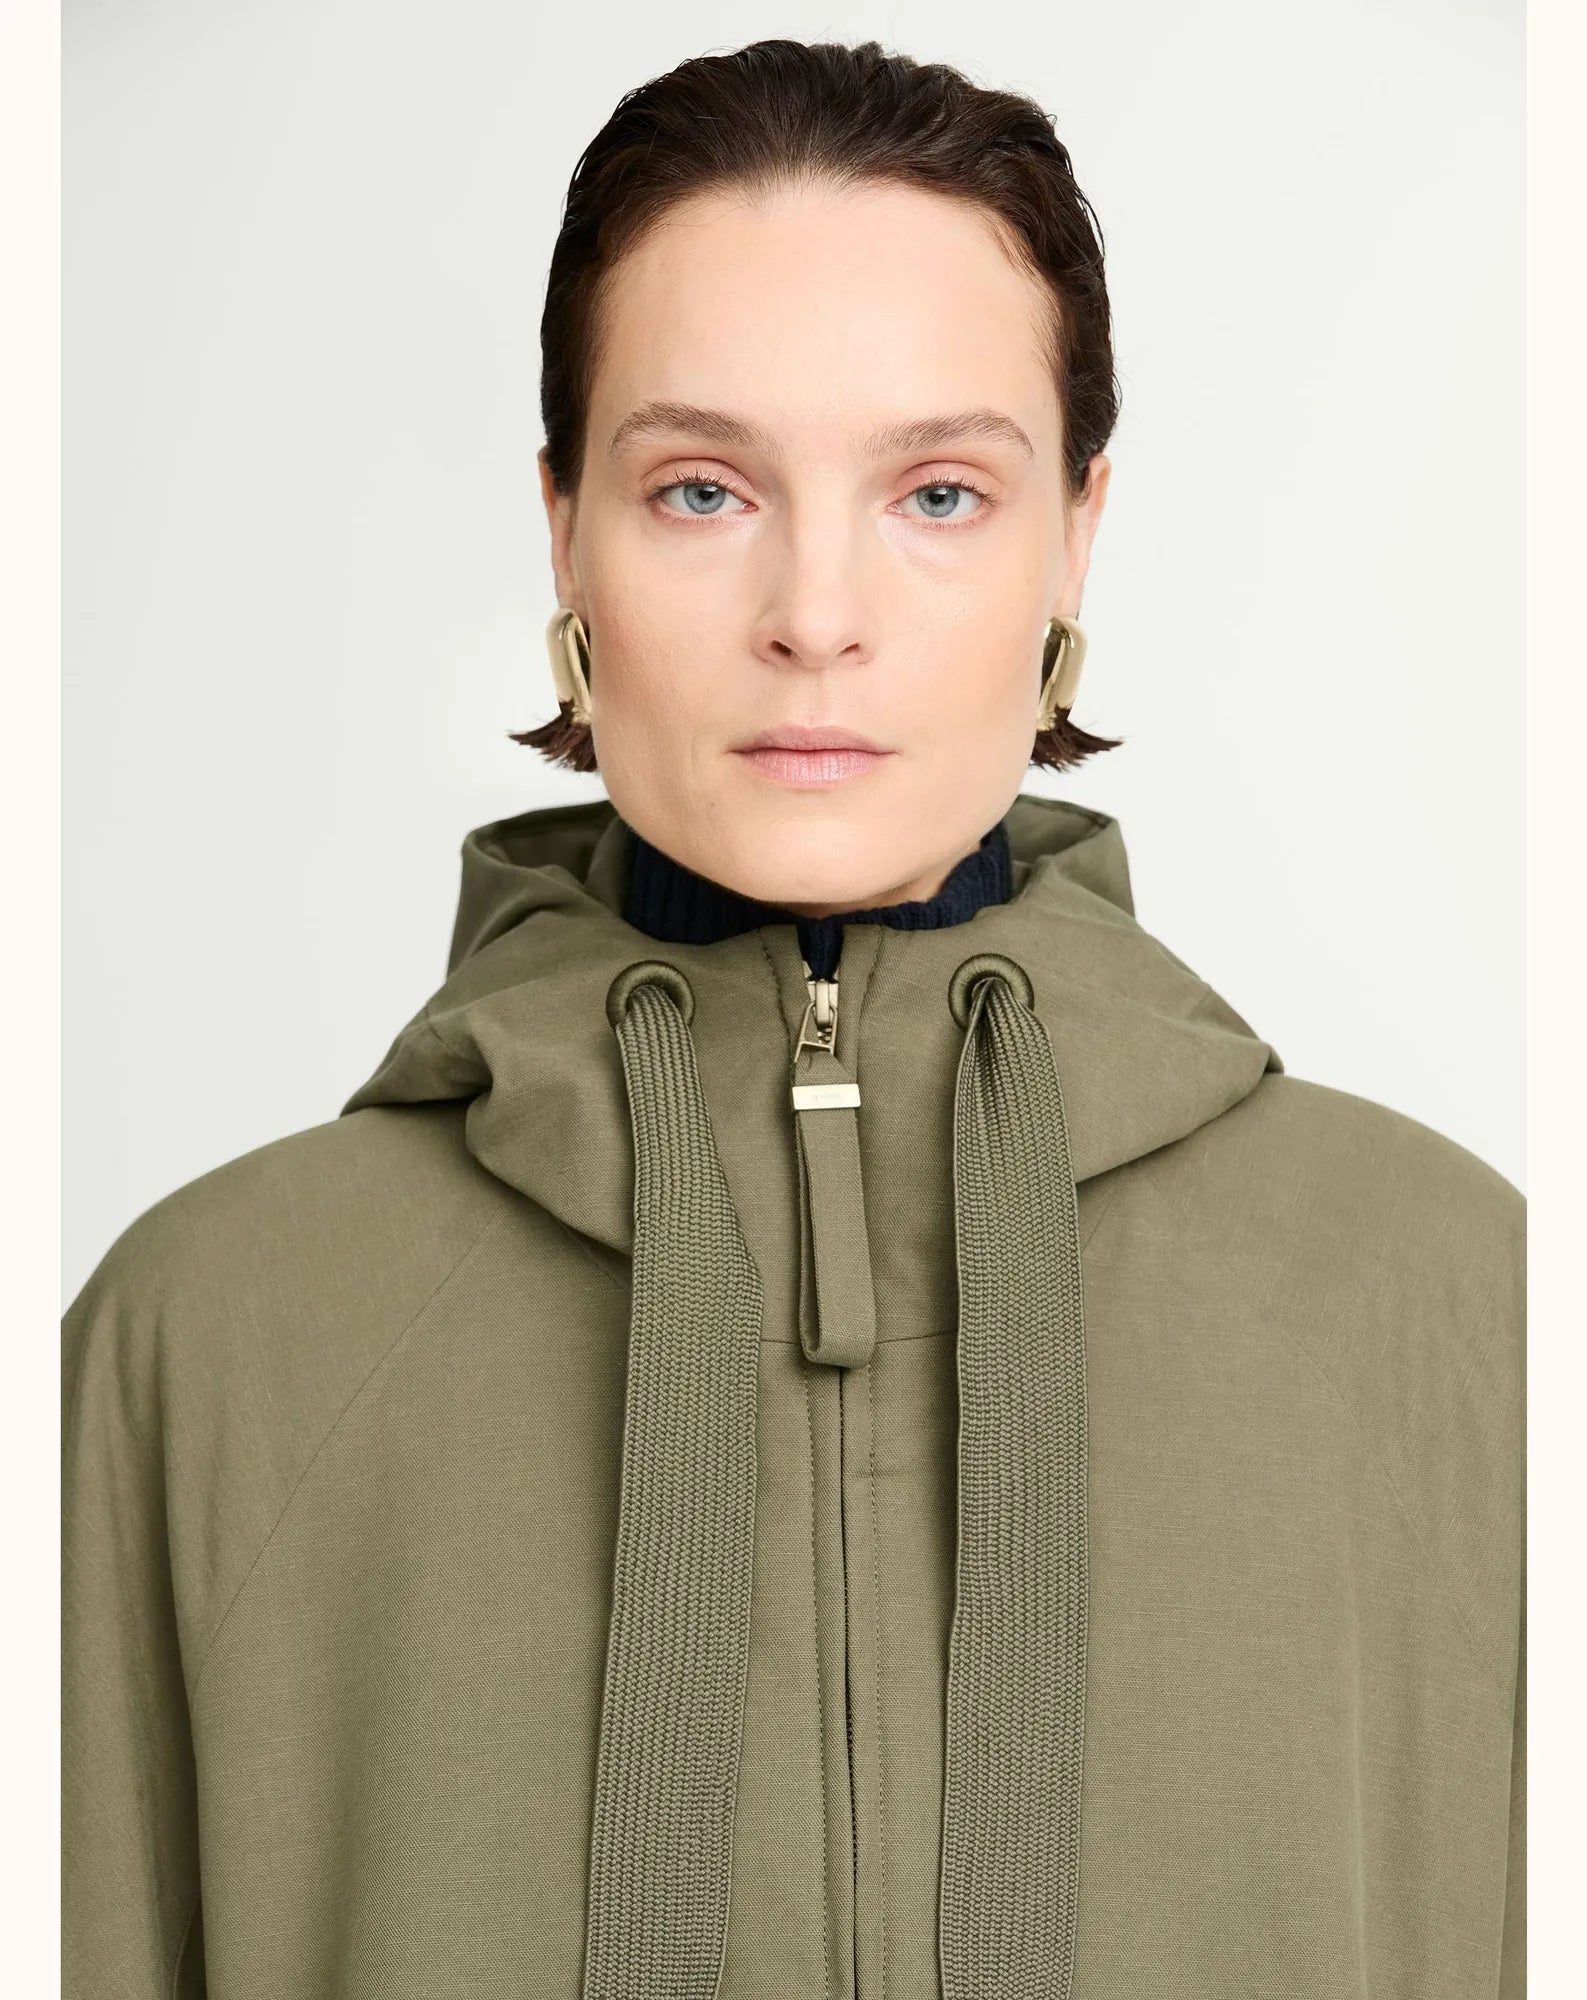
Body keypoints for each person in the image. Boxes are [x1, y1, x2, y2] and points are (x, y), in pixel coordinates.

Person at [62, 36, 1524, 2000]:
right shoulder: (201, 1345)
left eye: (937, 491)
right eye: (699, 488)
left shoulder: (1465, 1316)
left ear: (1076, 532)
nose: (814, 611)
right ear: (563, 527)